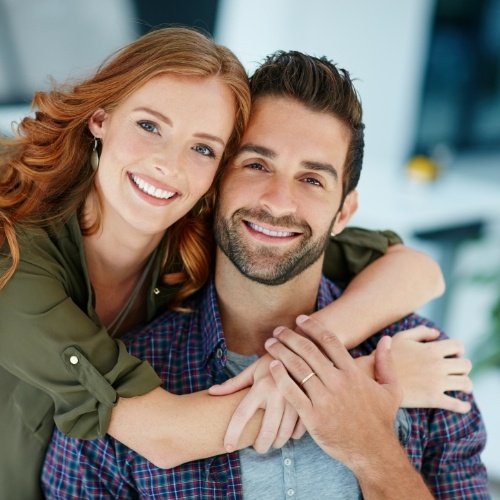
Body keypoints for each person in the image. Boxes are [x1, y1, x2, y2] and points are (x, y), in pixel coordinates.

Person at [0, 26, 449, 499]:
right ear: (101, 118)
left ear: (217, 174)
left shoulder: (201, 230)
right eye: (149, 126)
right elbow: (165, 436)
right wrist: (355, 386)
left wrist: (314, 348)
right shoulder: (13, 252)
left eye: (203, 148)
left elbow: (414, 269)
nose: (168, 165)